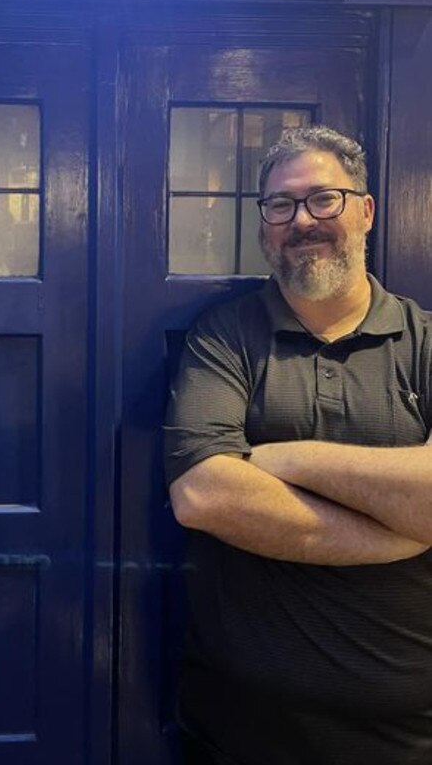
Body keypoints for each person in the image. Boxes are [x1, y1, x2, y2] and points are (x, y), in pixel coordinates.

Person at [164, 125, 432, 765]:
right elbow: (202, 493)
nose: (301, 220)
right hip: (237, 732)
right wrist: (399, 528)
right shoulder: (226, 336)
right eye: (280, 205)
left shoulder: (425, 343)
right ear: (264, 225)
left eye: (323, 199)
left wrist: (281, 457)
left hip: (405, 738)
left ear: (365, 211)